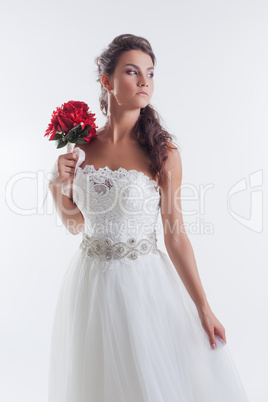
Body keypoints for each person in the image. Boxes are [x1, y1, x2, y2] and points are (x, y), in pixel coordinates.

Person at [48, 34, 249, 401]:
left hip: (142, 285)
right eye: (132, 71)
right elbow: (76, 225)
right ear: (107, 81)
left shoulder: (162, 151)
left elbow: (175, 236)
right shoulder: (82, 147)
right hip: (89, 283)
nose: (145, 82)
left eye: (150, 73)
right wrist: (58, 187)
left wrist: (203, 307)